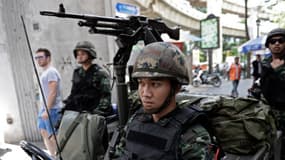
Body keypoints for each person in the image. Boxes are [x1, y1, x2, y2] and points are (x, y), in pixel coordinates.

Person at [116, 42, 212, 159]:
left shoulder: (191, 136)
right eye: (141, 83)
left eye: (155, 84)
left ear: (176, 87)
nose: (146, 93)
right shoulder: (135, 120)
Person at [63, 41, 113, 116]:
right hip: (78, 112)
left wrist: (97, 112)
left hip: (94, 113)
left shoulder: (100, 73)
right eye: (78, 54)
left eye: (83, 54)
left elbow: (105, 96)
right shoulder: (77, 72)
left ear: (90, 54)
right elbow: (74, 93)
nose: (79, 56)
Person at [261, 28, 285, 160]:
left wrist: (278, 71)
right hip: (270, 112)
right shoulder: (266, 62)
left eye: (281, 41)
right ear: (268, 45)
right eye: (272, 41)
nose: (277, 44)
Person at [35, 48, 62, 157]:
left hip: (52, 109)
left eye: (41, 57)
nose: (38, 60)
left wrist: (47, 110)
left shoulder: (51, 72)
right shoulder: (45, 72)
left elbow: (53, 92)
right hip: (45, 109)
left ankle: (59, 156)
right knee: (44, 132)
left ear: (48, 58)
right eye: (37, 58)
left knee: (53, 136)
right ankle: (52, 156)